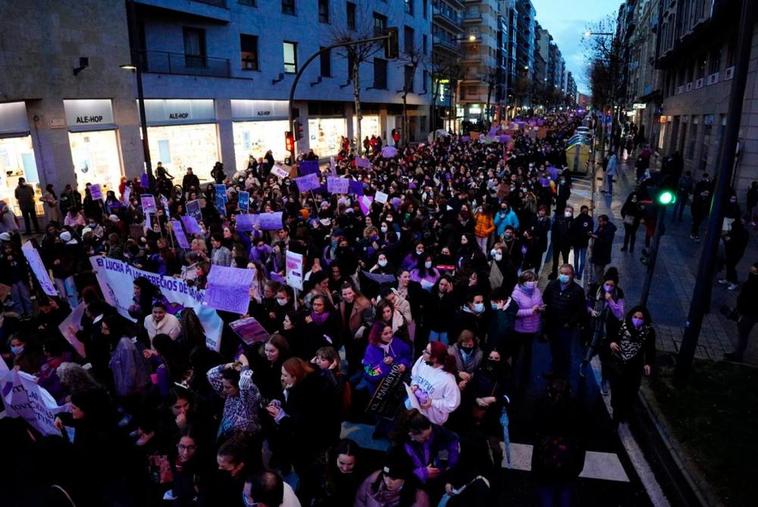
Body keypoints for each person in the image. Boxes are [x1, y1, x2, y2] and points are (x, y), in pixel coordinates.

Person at [608, 306, 656, 424]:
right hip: (619, 364)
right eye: (635, 317)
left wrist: (648, 363)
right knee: (617, 390)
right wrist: (612, 343)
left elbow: (650, 349)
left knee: (630, 392)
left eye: (640, 318)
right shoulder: (622, 325)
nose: (637, 320)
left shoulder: (648, 332)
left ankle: (624, 412)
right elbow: (611, 336)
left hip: (634, 366)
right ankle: (616, 414)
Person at [542, 264, 586, 379]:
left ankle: (564, 376)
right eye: (562, 273)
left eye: (566, 274)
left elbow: (580, 310)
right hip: (552, 324)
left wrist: (570, 323)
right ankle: (554, 370)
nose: (563, 276)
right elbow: (545, 300)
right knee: (554, 349)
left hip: (566, 327)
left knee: (565, 351)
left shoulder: (577, 291)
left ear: (572, 275)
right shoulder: (552, 285)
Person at [405, 342, 461, 425]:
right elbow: (414, 375)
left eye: (427, 352)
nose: (423, 352)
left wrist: (432, 402)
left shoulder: (448, 380)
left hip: (430, 420)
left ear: (435, 358)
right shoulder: (422, 360)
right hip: (414, 410)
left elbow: (452, 403)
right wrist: (415, 385)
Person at [354, 449, 430, 507]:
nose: (387, 482)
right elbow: (359, 501)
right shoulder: (373, 480)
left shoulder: (418, 498)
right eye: (385, 476)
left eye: (393, 479)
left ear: (404, 478)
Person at [725, 262, 758, 361]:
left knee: (743, 334)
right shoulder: (751, 282)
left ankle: (738, 356)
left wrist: (741, 311)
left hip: (749, 312)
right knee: (743, 334)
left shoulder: (753, 284)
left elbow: (749, 299)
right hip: (749, 312)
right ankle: (738, 354)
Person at [589, 215, 617, 283]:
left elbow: (606, 241)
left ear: (605, 221)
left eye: (601, 221)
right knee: (597, 268)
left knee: (599, 269)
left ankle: (600, 283)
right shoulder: (601, 226)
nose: (599, 223)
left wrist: (596, 237)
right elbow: (597, 233)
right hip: (597, 252)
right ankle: (599, 282)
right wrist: (592, 234)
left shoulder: (609, 229)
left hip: (603, 253)